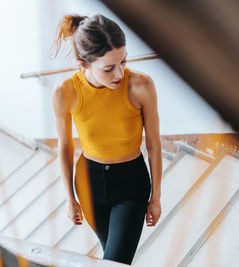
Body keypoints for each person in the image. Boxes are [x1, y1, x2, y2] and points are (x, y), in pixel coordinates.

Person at [51, 14, 162, 265]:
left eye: (123, 61)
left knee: (115, 261)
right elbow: (65, 146)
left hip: (131, 184)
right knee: (110, 256)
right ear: (83, 63)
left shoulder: (141, 85)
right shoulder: (65, 92)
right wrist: (70, 198)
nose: (119, 73)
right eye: (109, 68)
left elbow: (154, 145)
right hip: (89, 183)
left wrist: (156, 197)